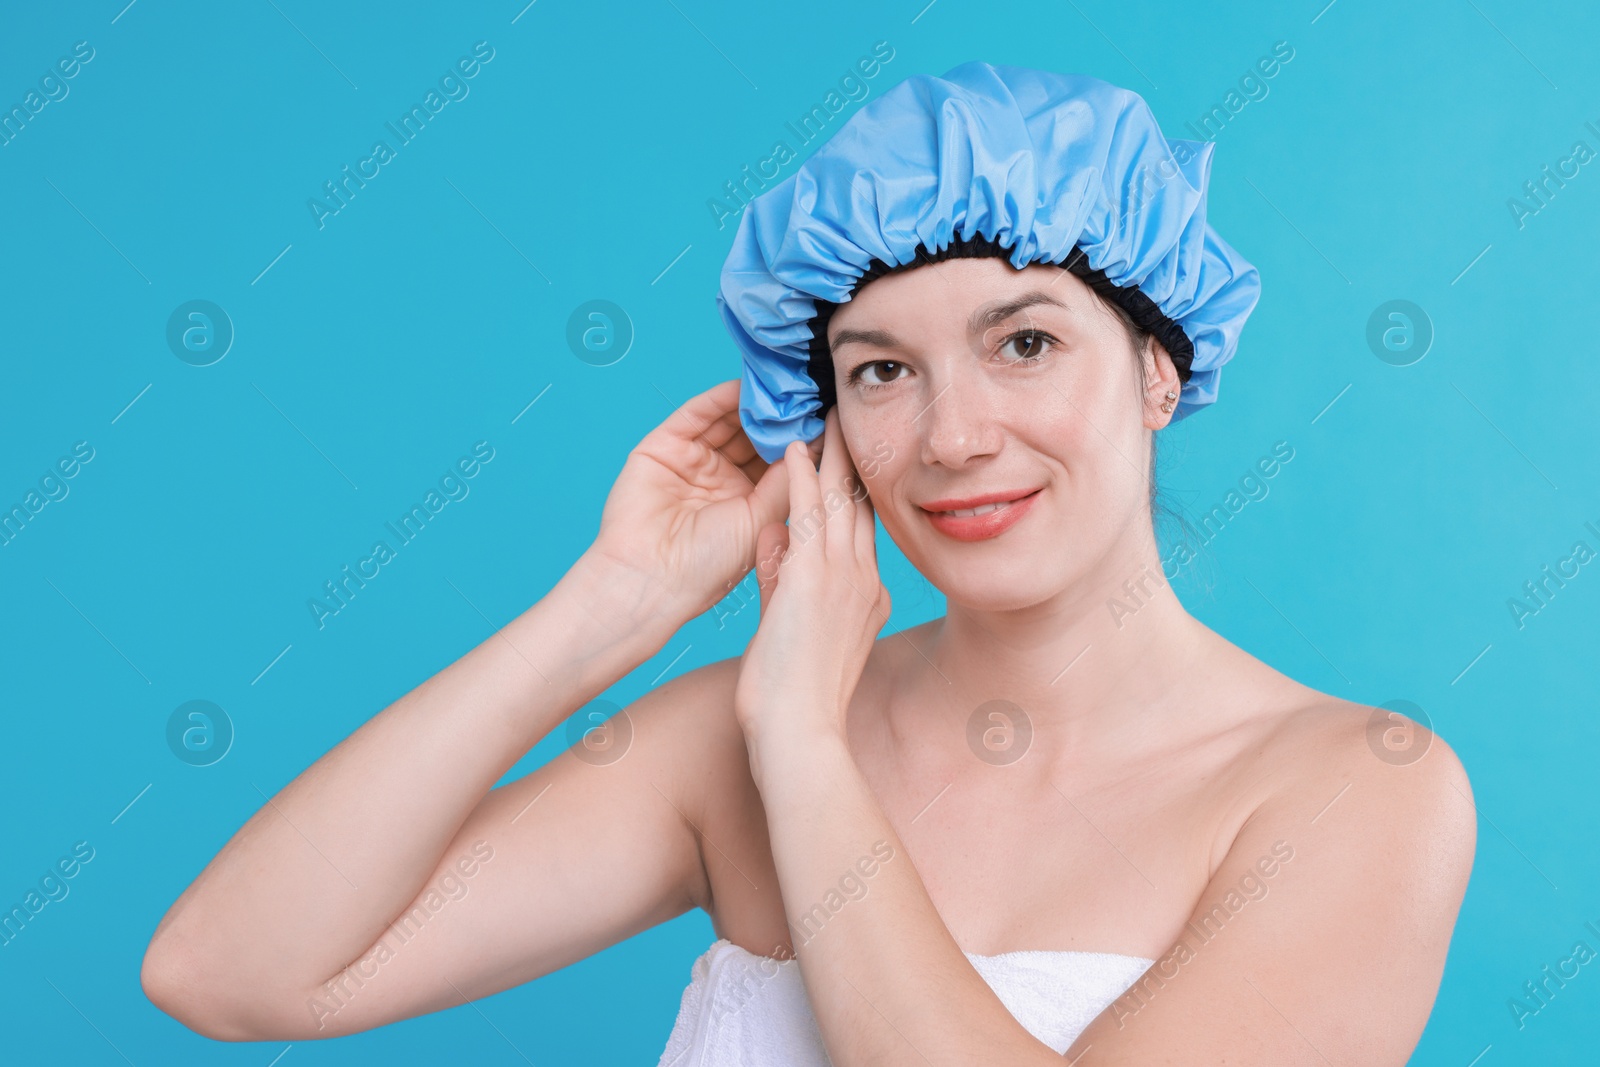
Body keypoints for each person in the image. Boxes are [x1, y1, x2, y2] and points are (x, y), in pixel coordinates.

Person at [140, 63, 1476, 1066]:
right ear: (821, 420)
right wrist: (614, 608)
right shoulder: (730, 741)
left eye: (1025, 344)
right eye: (882, 371)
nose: (953, 436)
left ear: (1158, 372)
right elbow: (232, 970)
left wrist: (806, 757)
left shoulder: (1354, 797)